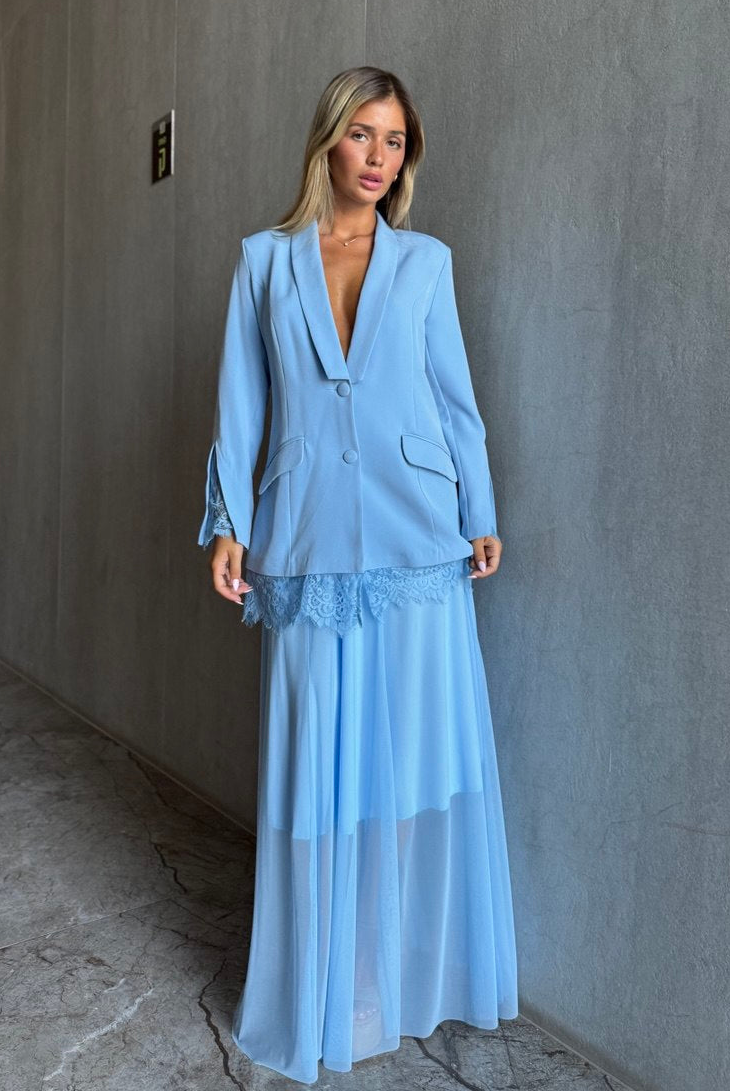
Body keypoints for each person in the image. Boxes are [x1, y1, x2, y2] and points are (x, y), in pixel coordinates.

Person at [198, 66, 518, 1083]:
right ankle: (321, 978)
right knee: (316, 775)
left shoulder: (426, 263)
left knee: (408, 763)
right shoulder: (264, 261)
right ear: (328, 140)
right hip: (304, 537)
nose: (379, 157)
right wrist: (229, 523)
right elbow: (241, 402)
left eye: (396, 140)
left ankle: (383, 971)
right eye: (363, 135)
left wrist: (479, 511)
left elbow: (454, 398)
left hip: (420, 537)